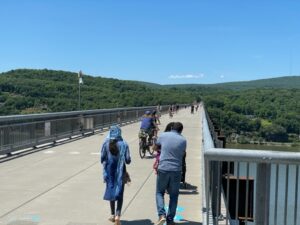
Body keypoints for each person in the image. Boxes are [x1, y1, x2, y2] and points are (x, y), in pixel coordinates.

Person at [154, 122, 187, 225]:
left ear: (172, 128)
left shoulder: (163, 135)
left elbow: (156, 146)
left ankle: (161, 215)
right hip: (176, 170)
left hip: (163, 168)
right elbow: (182, 154)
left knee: (159, 192)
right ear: (181, 130)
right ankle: (170, 220)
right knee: (174, 196)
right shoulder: (183, 140)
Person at [101, 125, 131, 225]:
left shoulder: (106, 143)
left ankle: (112, 215)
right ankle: (118, 215)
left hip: (109, 172)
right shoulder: (124, 144)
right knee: (119, 193)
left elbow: (102, 158)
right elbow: (128, 160)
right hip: (120, 172)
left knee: (111, 191)